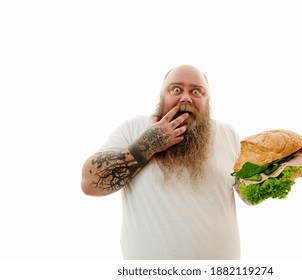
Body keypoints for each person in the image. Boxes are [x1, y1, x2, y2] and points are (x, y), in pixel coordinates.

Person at [81, 64, 242, 260]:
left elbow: (250, 194)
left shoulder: (227, 134)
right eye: (176, 89)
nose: (185, 97)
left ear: (208, 100)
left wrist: (284, 166)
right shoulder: (135, 127)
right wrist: (147, 145)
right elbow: (90, 184)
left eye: (196, 91)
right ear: (162, 95)